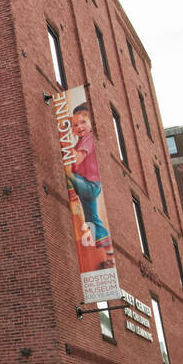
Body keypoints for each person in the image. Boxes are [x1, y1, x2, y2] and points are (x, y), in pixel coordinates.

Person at [66, 104, 115, 269]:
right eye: (75, 124)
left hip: (90, 186)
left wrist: (66, 143)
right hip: (89, 187)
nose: (79, 127)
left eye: (83, 123)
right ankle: (108, 255)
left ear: (90, 124)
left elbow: (76, 160)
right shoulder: (81, 140)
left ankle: (73, 193)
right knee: (92, 219)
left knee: (68, 174)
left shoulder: (88, 139)